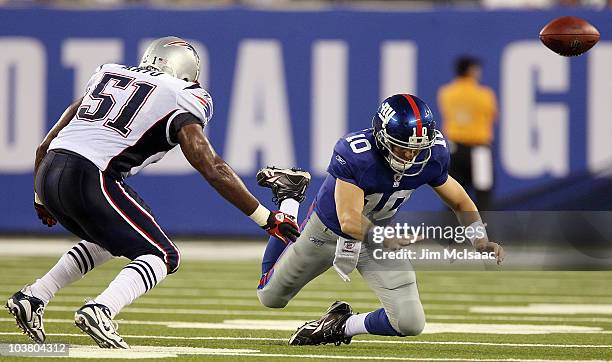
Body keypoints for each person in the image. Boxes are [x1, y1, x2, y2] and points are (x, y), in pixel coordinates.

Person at [5, 36, 299, 349]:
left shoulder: (109, 73)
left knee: (106, 240)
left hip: (51, 169)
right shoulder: (181, 94)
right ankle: (101, 309)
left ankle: (33, 296)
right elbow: (213, 167)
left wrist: (40, 198)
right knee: (162, 254)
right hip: (91, 175)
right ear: (188, 73)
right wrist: (266, 219)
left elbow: (44, 145)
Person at [255, 94, 504, 346]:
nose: (409, 154)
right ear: (382, 138)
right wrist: (385, 238)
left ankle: (340, 325)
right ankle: (289, 198)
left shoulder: (432, 156)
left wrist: (479, 240)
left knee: (409, 322)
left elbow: (460, 201)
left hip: (380, 237)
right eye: (402, 146)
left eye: (417, 147)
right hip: (328, 233)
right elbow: (349, 220)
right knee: (270, 297)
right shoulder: (356, 154)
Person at [437, 56, 497, 210]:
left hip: (454, 149)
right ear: (471, 71)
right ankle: (482, 231)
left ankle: (449, 232)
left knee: (453, 195)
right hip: (479, 150)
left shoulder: (446, 93)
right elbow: (493, 116)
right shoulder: (484, 95)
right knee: (483, 195)